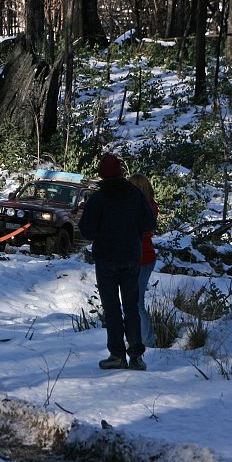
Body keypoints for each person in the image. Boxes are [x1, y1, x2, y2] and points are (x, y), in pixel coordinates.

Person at [79, 153, 156, 371]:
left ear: (101, 175)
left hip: (106, 259)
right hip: (132, 257)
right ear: (122, 172)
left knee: (112, 308)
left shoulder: (97, 199)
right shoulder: (135, 195)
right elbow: (149, 222)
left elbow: (86, 231)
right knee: (131, 306)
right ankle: (136, 357)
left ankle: (117, 355)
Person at [129, 173, 159, 348]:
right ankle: (139, 337)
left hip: (141, 258)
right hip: (145, 257)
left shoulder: (141, 208)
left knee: (137, 302)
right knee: (135, 302)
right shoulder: (150, 206)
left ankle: (147, 340)